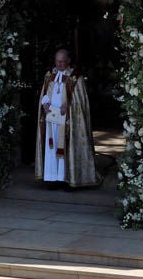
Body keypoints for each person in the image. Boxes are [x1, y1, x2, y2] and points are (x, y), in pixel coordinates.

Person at [35, 48, 101, 187]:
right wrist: (45, 104)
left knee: (67, 146)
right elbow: (45, 93)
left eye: (63, 62)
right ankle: (52, 178)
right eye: (57, 62)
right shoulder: (49, 75)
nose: (59, 65)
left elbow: (79, 101)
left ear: (68, 60)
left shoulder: (76, 77)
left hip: (68, 120)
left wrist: (68, 105)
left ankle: (68, 178)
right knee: (51, 147)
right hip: (52, 119)